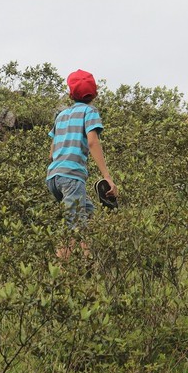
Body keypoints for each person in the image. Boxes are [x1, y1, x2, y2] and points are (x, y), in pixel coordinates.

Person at [46, 70, 116, 256]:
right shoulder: (90, 111)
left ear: (70, 94)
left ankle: (89, 264)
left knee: (87, 214)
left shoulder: (60, 116)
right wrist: (107, 177)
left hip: (53, 178)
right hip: (71, 178)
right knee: (73, 227)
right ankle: (62, 273)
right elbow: (92, 142)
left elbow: (51, 153)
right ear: (96, 93)